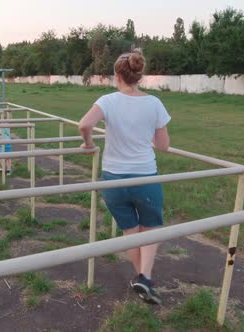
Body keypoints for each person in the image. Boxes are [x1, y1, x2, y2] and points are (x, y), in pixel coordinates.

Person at [78, 50, 171, 304]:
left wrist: (87, 144)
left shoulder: (107, 101)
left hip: (114, 179)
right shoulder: (154, 103)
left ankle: (141, 277)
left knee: (130, 230)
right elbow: (163, 146)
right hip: (145, 177)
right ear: (139, 76)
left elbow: (85, 125)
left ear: (117, 75)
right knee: (150, 227)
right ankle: (146, 276)